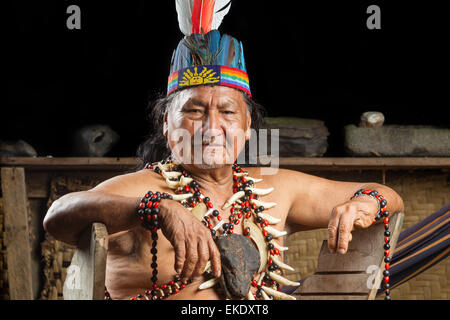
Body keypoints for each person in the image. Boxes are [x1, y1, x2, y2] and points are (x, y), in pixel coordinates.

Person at [43, 1, 404, 300]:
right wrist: (157, 209)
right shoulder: (140, 190)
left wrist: (364, 204)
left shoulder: (278, 190)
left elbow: (387, 196)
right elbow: (59, 216)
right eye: (194, 110)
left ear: (247, 128)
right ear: (167, 124)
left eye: (228, 112)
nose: (212, 127)